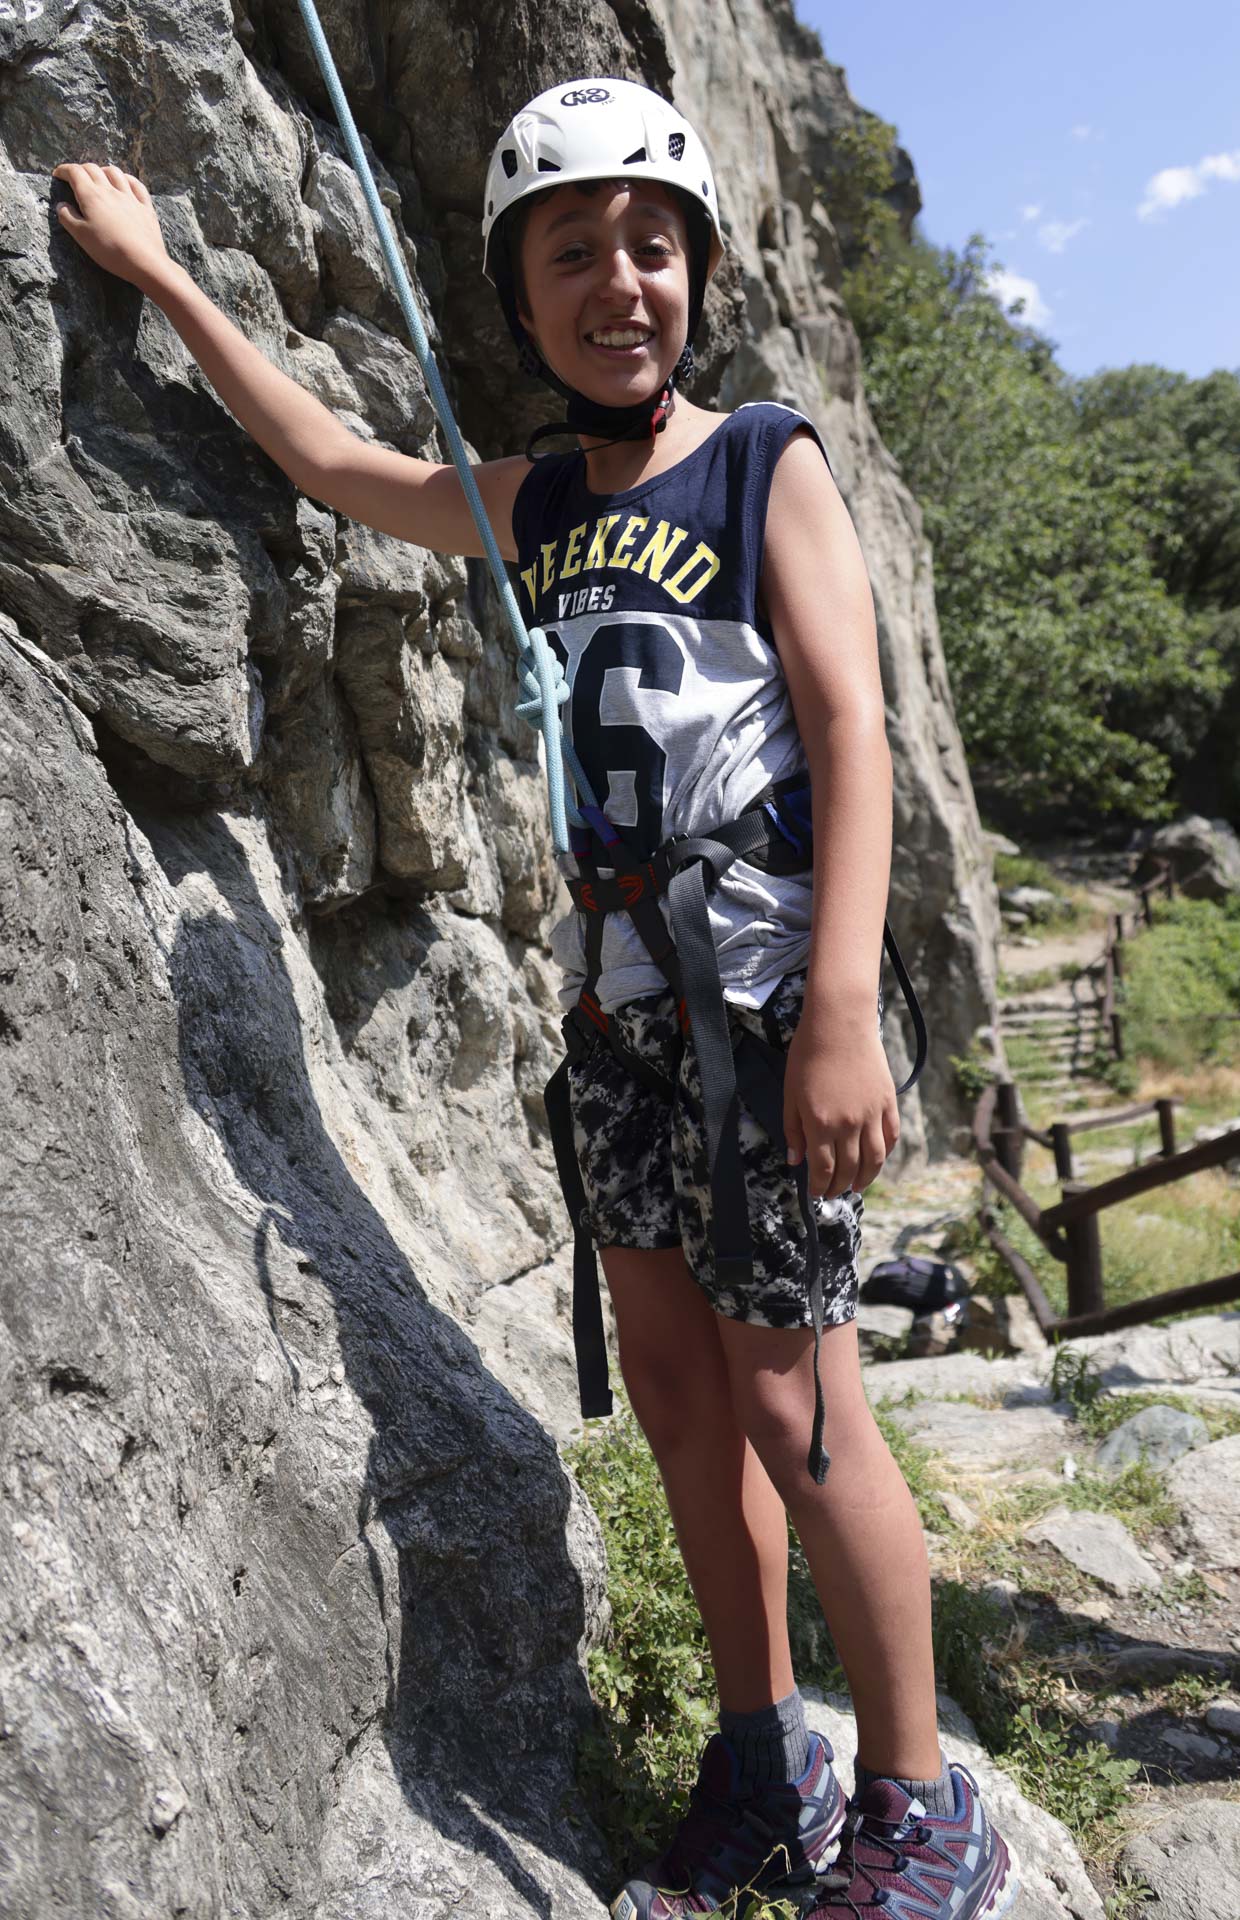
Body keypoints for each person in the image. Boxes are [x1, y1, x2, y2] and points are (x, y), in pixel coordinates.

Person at [51, 74, 1017, 1920]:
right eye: (570, 254)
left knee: (801, 1411)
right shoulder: (538, 501)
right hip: (618, 1019)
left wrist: (837, 1008)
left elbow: (849, 732)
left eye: (649, 245)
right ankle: (766, 1760)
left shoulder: (764, 461)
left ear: (697, 273)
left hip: (756, 1011)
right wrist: (165, 275)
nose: (616, 283)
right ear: (517, 301)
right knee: (676, 1397)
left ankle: (920, 1802)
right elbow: (335, 463)